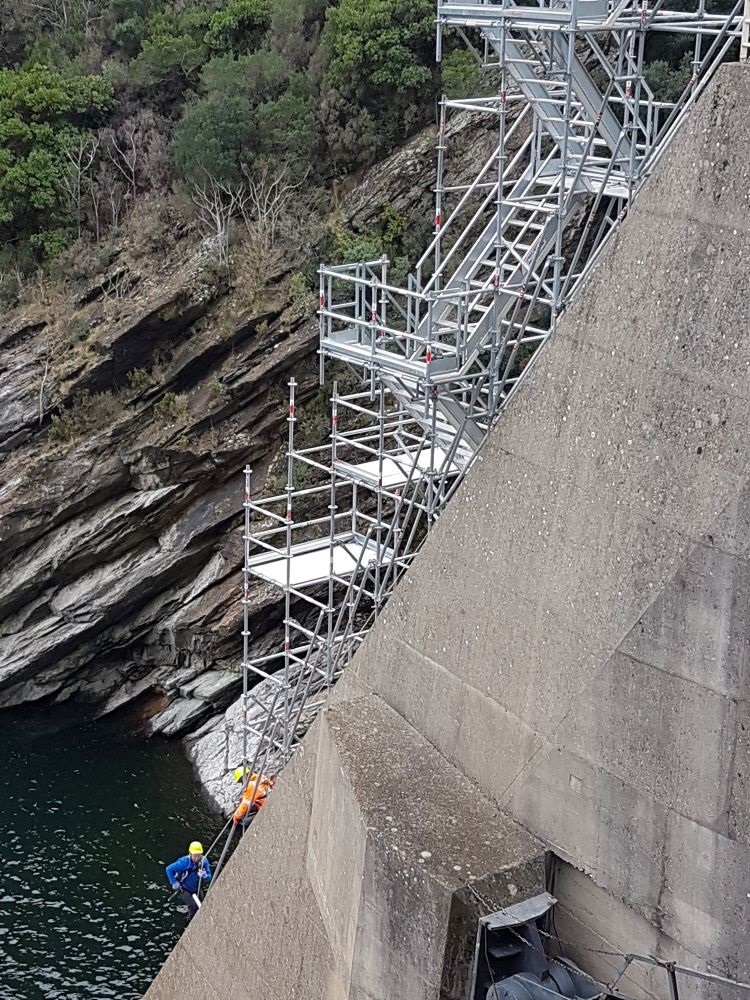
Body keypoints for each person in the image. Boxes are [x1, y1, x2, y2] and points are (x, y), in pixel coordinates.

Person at [165, 841, 212, 923]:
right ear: (190, 854)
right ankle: (190, 922)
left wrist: (205, 876)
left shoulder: (204, 862)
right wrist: (174, 882)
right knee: (193, 905)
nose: (197, 858)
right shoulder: (184, 863)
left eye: (198, 855)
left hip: (196, 888)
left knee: (203, 904)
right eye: (194, 856)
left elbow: (209, 877)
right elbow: (169, 869)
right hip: (184, 888)